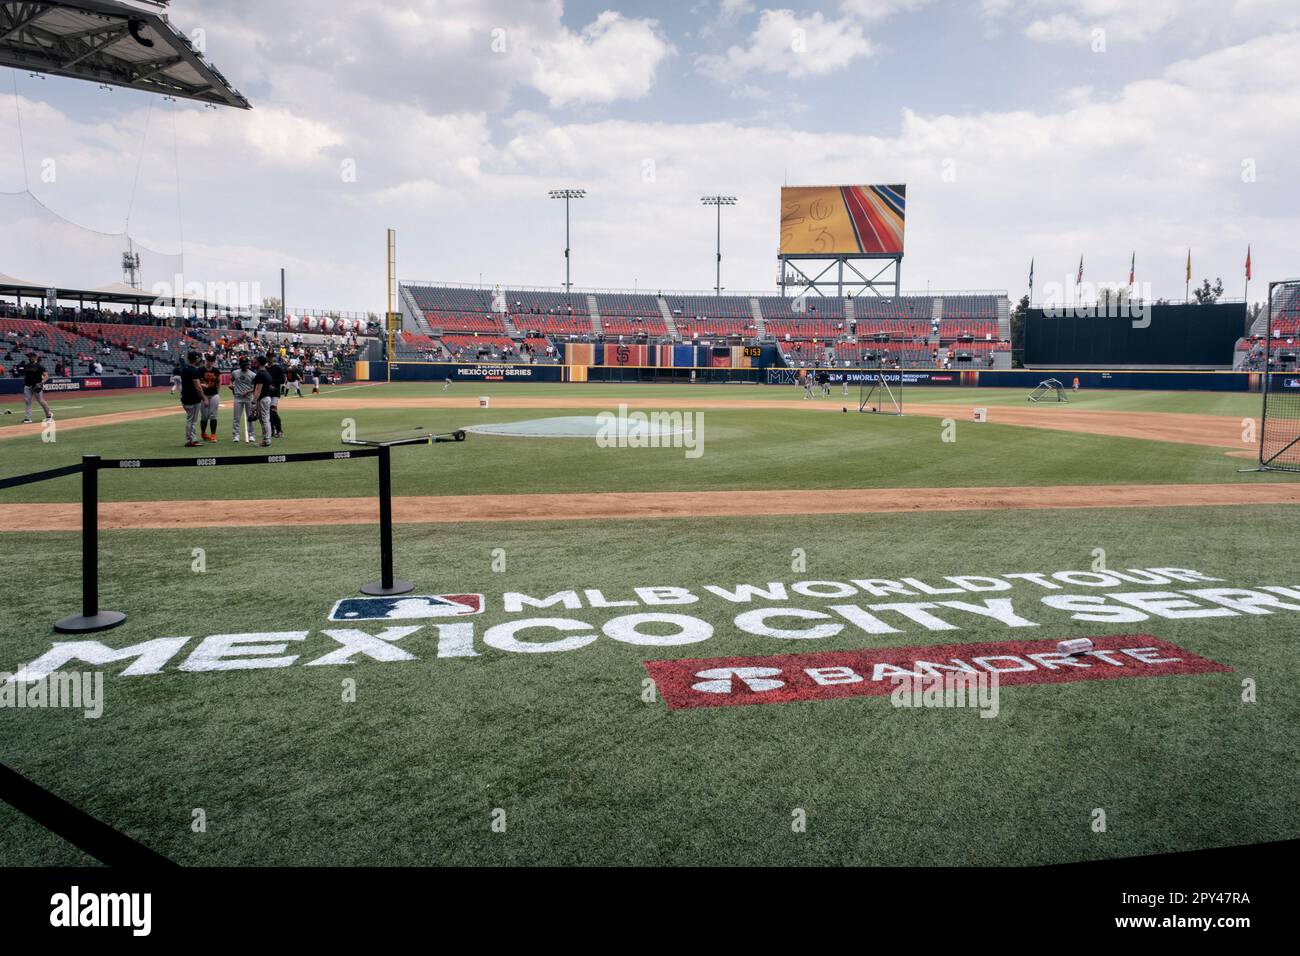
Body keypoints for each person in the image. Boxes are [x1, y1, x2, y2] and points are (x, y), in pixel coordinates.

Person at [179, 350, 205, 447]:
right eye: (198, 358)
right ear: (195, 359)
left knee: (191, 420)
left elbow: (190, 383)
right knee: (192, 420)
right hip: (192, 399)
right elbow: (197, 387)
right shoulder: (194, 370)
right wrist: (204, 398)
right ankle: (190, 440)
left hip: (185, 397)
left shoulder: (184, 369)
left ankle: (192, 439)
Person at [250, 355, 275, 447]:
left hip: (262, 398)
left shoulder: (260, 374)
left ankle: (267, 440)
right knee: (263, 419)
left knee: (264, 420)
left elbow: (258, 389)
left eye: (255, 361)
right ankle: (265, 439)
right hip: (266, 397)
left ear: (259, 363)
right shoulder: (267, 373)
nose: (253, 363)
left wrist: (253, 402)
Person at [230, 356, 256, 442]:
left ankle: (251, 435)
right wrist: (231, 386)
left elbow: (255, 387)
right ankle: (236, 435)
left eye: (246, 365)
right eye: (243, 365)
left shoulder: (253, 374)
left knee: (251, 417)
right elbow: (232, 380)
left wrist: (248, 391)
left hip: (248, 398)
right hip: (238, 398)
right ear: (240, 365)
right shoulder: (235, 373)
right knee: (236, 418)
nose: (245, 366)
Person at [21, 351, 52, 424]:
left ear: (35, 357)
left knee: (41, 401)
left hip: (36, 386)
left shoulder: (40, 366)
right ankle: (28, 418)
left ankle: (48, 415)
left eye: (31, 356)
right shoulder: (26, 366)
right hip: (27, 386)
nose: (29, 357)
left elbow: (46, 376)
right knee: (27, 401)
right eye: (29, 356)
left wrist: (41, 383)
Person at [199, 353, 221, 442]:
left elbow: (218, 381)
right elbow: (197, 382)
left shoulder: (216, 370)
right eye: (209, 360)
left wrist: (217, 391)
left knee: (213, 415)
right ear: (206, 360)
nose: (210, 362)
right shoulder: (200, 370)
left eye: (212, 361)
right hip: (203, 394)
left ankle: (213, 434)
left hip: (214, 394)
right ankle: (203, 433)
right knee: (204, 416)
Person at [267, 354, 286, 437]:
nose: (270, 358)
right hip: (266, 393)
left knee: (273, 411)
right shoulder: (265, 368)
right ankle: (271, 430)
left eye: (272, 357)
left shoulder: (278, 368)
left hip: (275, 392)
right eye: (269, 356)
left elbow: (282, 380)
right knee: (268, 413)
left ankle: (279, 430)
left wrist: (271, 381)